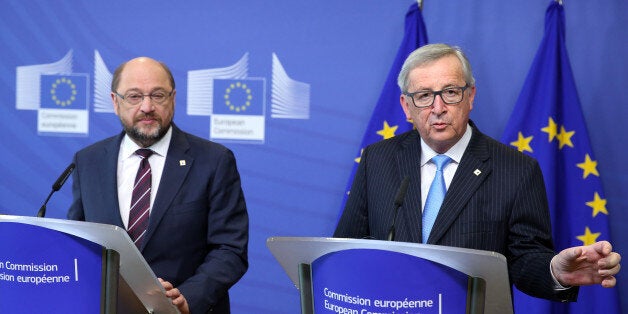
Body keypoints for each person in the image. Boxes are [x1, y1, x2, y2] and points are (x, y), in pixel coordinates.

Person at [334, 43, 621, 301]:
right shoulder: (377, 160)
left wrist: (555, 272)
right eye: (423, 95)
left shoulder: (517, 170)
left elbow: (525, 258)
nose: (438, 108)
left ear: (470, 96)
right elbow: (346, 250)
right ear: (406, 107)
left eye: (449, 92)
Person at [67, 57, 249, 313]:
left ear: (173, 98)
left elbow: (230, 249)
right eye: (134, 96)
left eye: (158, 95)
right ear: (114, 102)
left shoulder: (214, 161)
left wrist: (187, 298)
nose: (147, 107)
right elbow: (79, 242)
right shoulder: (88, 161)